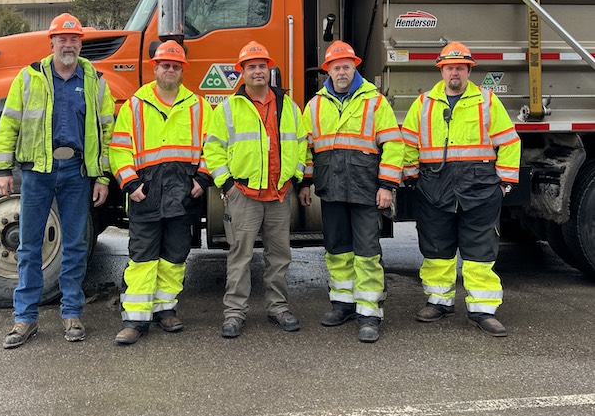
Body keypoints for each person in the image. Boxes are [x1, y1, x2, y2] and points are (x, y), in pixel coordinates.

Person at [0, 13, 115, 349]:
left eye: (74, 39)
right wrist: (3, 169)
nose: (68, 44)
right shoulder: (29, 78)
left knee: (75, 245)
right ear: (51, 42)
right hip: (37, 172)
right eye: (62, 39)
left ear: (80, 43)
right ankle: (25, 319)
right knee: (29, 246)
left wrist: (102, 176)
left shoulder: (94, 81)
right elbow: (9, 124)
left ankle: (72, 313)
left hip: (76, 172)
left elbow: (107, 131)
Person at [401, 41, 520, 337]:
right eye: (449, 67)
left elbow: (508, 141)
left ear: (468, 70)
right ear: (441, 71)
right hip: (434, 188)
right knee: (436, 248)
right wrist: (412, 177)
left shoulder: (487, 101)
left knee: (480, 250)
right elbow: (407, 143)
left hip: (479, 189)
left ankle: (482, 310)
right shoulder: (424, 102)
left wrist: (504, 182)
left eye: (460, 67)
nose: (455, 72)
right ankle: (439, 302)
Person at [299, 41, 403, 343]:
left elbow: (393, 145)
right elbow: (306, 149)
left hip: (366, 191)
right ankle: (342, 304)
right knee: (337, 251)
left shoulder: (374, 101)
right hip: (331, 191)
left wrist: (387, 186)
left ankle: (369, 313)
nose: (341, 71)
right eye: (336, 67)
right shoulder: (316, 105)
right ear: (327, 71)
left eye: (346, 66)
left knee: (367, 253)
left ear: (354, 67)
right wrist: (305, 183)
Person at [110, 41, 212, 345]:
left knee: (174, 257)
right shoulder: (135, 105)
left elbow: (213, 145)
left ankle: (166, 310)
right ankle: (135, 320)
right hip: (147, 194)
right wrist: (131, 184)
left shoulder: (198, 105)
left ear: (182, 71)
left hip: (183, 195)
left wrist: (203, 179)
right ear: (155, 68)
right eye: (165, 65)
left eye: (175, 66)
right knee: (142, 258)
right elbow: (118, 149)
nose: (170, 70)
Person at [204, 41, 308, 338]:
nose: (258, 71)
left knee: (279, 256)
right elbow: (212, 149)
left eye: (262, 66)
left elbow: (301, 143)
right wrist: (227, 186)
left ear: (269, 69)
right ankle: (234, 313)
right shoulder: (228, 108)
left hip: (278, 195)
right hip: (244, 195)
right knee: (240, 256)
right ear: (242, 72)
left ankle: (278, 308)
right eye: (252, 67)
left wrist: (296, 177)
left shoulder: (288, 105)